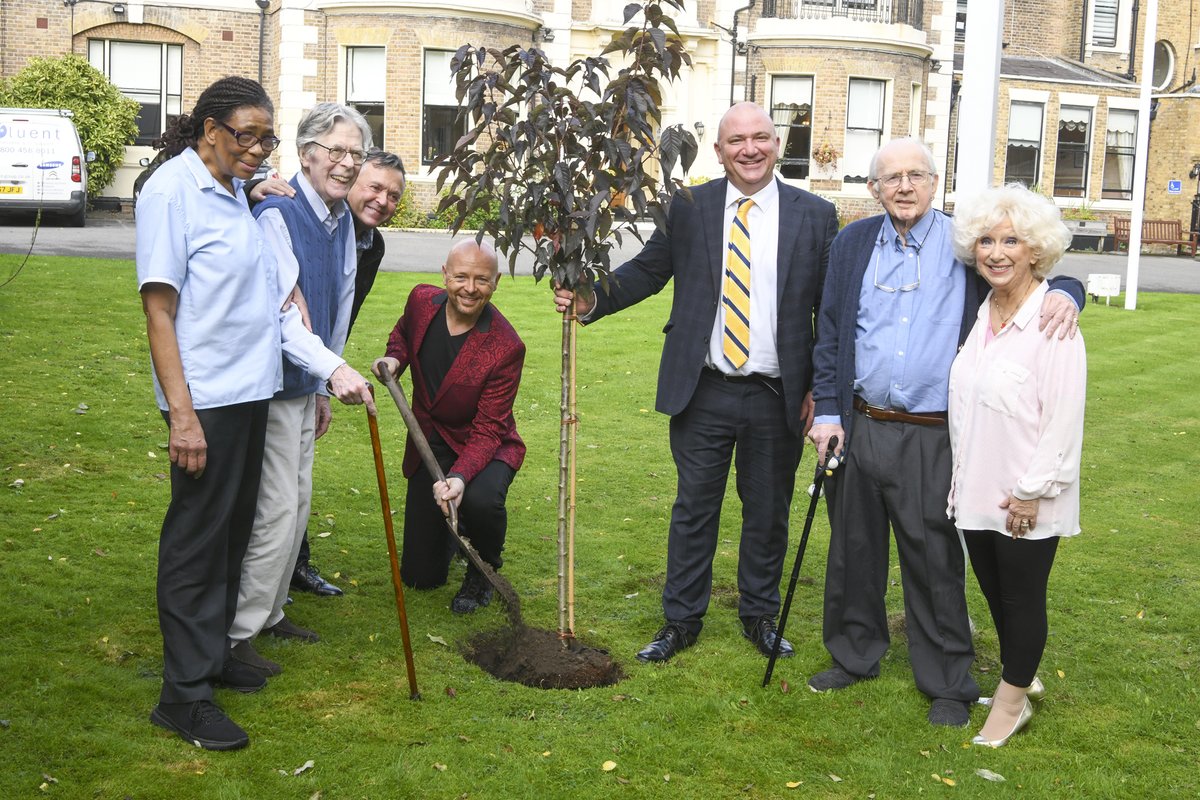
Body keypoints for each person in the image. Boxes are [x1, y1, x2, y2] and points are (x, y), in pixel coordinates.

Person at [806, 137, 1084, 727]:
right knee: (853, 549)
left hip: (934, 433)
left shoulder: (965, 244)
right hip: (859, 424)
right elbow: (829, 332)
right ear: (873, 189)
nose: (903, 187)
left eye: (916, 176)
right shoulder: (852, 243)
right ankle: (854, 656)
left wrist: (1070, 292)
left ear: (936, 183)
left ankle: (947, 681)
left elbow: (1026, 273)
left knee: (933, 557)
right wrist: (828, 410)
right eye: (890, 178)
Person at [553, 102, 838, 663]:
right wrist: (592, 299)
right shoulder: (690, 207)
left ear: (777, 144)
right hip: (703, 389)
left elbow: (827, 314)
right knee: (694, 509)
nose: (750, 149)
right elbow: (648, 270)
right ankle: (681, 620)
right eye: (737, 141)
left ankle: (759, 615)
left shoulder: (815, 215)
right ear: (719, 151)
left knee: (768, 511)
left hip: (778, 394)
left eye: (761, 138)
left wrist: (821, 391)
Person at [137, 77, 372, 752]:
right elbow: (160, 309)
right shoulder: (172, 192)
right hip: (204, 401)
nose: (259, 148)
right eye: (247, 134)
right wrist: (181, 414)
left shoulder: (235, 190)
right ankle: (182, 698)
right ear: (208, 128)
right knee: (196, 546)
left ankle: (215, 657)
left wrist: (253, 181)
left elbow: (264, 298)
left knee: (235, 537)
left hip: (250, 393)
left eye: (267, 137)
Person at [225, 103, 375, 676]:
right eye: (334, 150)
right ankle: (238, 633)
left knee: (299, 502)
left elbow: (335, 307)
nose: (344, 163)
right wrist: (331, 372)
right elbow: (282, 315)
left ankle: (272, 611)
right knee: (276, 510)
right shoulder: (277, 214)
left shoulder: (341, 224)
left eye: (353, 154)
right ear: (307, 153)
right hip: (268, 385)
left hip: (302, 386)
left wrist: (321, 382)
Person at [947, 184, 1085, 747]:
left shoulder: (1054, 323)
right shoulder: (982, 314)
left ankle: (1010, 705)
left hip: (1027, 493)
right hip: (977, 486)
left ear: (1036, 251)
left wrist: (1031, 491)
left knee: (1021, 598)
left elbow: (1062, 420)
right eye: (986, 240)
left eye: (1012, 241)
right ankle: (1020, 676)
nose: (997, 252)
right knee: (996, 594)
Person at [374, 239, 525, 612]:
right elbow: (404, 334)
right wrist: (395, 359)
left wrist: (458, 478)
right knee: (420, 578)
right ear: (445, 274)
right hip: (430, 440)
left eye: (481, 280)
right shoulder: (421, 302)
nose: (470, 289)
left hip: (485, 446)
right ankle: (451, 536)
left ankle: (483, 567)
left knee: (479, 500)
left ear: (496, 282)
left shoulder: (505, 347)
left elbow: (489, 430)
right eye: (460, 277)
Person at [288, 150, 408, 598]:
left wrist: (324, 382)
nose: (383, 200)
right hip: (277, 363)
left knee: (298, 476)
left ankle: (293, 566)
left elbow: (344, 314)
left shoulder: (370, 245)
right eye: (375, 187)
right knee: (276, 481)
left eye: (393, 195)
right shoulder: (310, 218)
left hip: (315, 364)